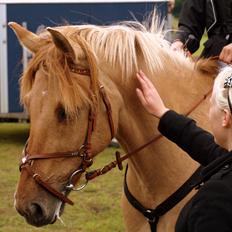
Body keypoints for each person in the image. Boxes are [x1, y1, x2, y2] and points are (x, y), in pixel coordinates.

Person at [136, 68, 232, 231]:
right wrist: (163, 113)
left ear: (225, 117)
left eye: (211, 106)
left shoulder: (216, 199)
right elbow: (208, 149)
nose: (209, 113)